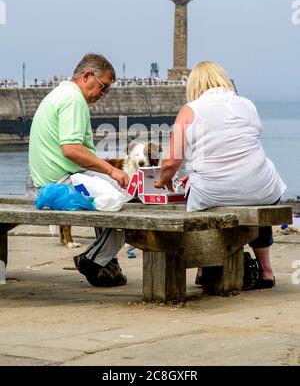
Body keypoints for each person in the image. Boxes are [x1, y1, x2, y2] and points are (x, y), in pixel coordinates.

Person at [155, 60, 286, 289]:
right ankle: (266, 271)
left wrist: (163, 180)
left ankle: (203, 269)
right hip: (262, 187)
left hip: (214, 191)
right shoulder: (247, 105)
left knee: (199, 200)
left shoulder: (190, 110)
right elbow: (239, 150)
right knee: (254, 196)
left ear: (194, 84)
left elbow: (172, 161)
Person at [29, 53, 129, 287]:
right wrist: (111, 170)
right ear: (86, 76)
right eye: (103, 87)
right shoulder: (73, 99)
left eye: (107, 90)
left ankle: (107, 264)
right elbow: (72, 150)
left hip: (51, 183)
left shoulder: (60, 93)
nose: (103, 95)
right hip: (62, 183)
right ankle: (93, 261)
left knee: (107, 190)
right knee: (119, 201)